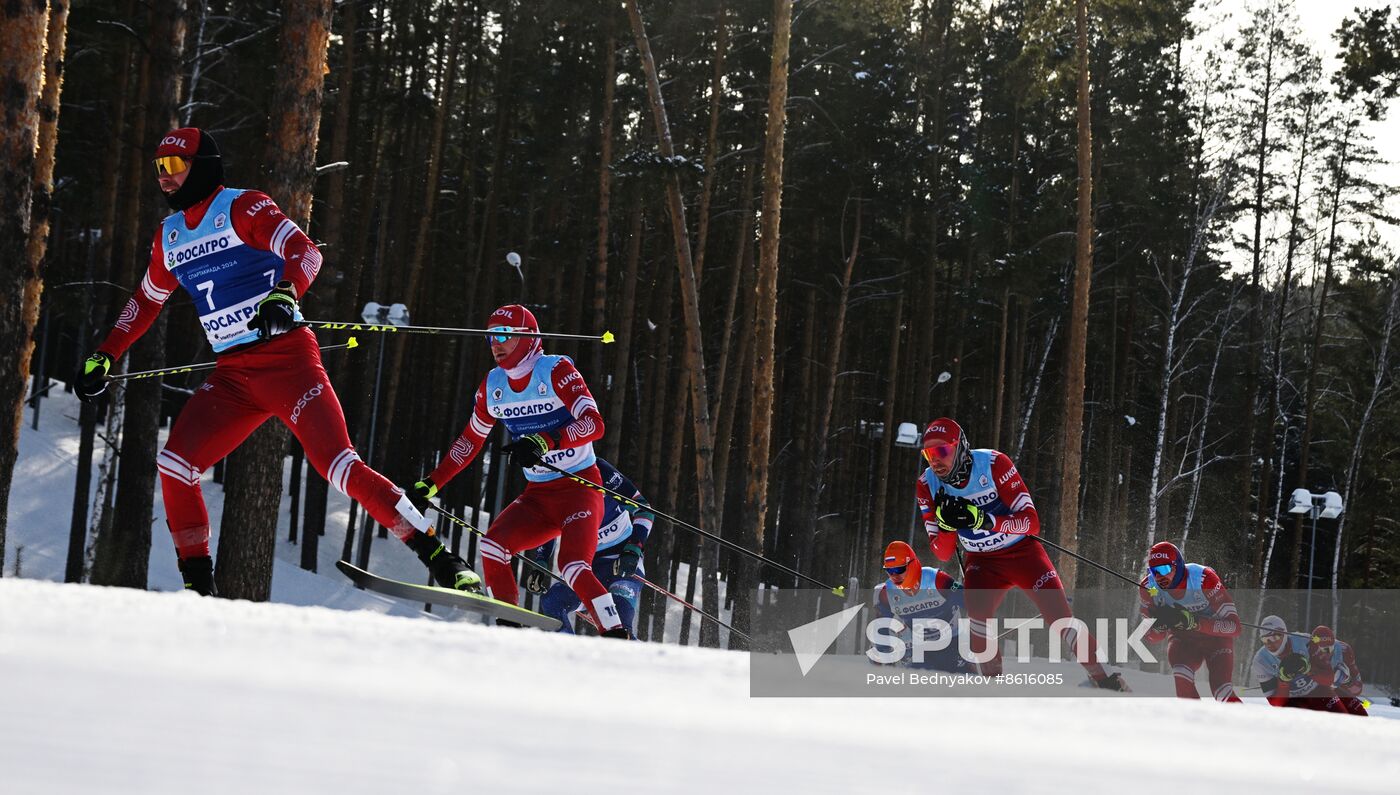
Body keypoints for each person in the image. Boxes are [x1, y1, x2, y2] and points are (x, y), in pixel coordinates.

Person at [75, 127, 474, 596]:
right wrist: (104, 355)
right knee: (175, 464)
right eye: (158, 168)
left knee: (338, 465)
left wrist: (285, 294)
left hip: (287, 363)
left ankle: (444, 561)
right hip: (232, 379)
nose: (164, 177)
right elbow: (144, 302)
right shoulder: (169, 236)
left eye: (174, 165)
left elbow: (305, 252)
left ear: (201, 165)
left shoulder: (243, 207)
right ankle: (199, 592)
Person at [413, 304, 628, 638]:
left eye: (503, 335)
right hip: (538, 498)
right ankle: (509, 627)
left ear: (527, 337)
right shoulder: (493, 386)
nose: (495, 344)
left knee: (572, 566)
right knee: (492, 546)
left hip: (580, 489)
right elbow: (470, 440)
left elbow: (594, 424)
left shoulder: (555, 370)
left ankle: (615, 632)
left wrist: (545, 441)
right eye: (490, 337)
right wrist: (432, 483)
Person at [914, 417, 1128, 690]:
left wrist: (985, 520)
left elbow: (1031, 522)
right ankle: (993, 689)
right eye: (929, 454)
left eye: (942, 451)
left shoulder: (993, 464)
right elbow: (942, 553)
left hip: (1022, 554)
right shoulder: (927, 483)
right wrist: (945, 525)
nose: (935, 460)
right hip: (982, 562)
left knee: (1060, 618)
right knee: (977, 623)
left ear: (961, 447)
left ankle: (1107, 679)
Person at [521, 457, 653, 635]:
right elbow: (549, 523)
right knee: (553, 602)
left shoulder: (599, 470)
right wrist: (541, 562)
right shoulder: (549, 478)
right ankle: (569, 656)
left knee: (620, 625)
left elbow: (644, 509)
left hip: (620, 560)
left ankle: (636, 658)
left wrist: (634, 549)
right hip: (585, 566)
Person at [1137, 541, 1242, 702]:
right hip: (1183, 640)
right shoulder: (1149, 588)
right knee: (1182, 676)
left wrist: (1195, 622)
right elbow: (1152, 638)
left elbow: (1234, 627)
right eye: (1153, 571)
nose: (1159, 577)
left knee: (1222, 691)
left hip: (1215, 639)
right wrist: (1159, 625)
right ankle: (1194, 723)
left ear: (1177, 566)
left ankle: (1247, 725)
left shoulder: (1203, 578)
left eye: (1164, 569)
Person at [872, 540, 969, 672]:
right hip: (921, 650)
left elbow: (972, 603)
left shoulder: (937, 580)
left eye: (899, 569)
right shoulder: (885, 593)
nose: (894, 575)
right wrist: (883, 656)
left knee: (965, 680)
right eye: (889, 571)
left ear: (911, 564)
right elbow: (881, 627)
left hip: (954, 643)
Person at [1252, 615, 1349, 714]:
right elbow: (1276, 703)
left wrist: (1309, 669)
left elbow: (1328, 679)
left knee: (1342, 719)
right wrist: (1283, 681)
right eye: (1265, 639)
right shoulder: (1261, 661)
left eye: (1274, 637)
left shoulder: (1305, 641)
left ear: (1284, 634)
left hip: (1319, 691)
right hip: (1292, 702)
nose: (1269, 643)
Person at [1309, 625, 1369, 716]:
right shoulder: (1306, 651)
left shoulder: (1344, 651)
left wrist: (1347, 681)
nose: (1323, 654)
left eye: (1327, 649)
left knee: (1360, 715)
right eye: (1318, 650)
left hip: (1339, 691)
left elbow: (1358, 689)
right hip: (1316, 693)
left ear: (1334, 645)